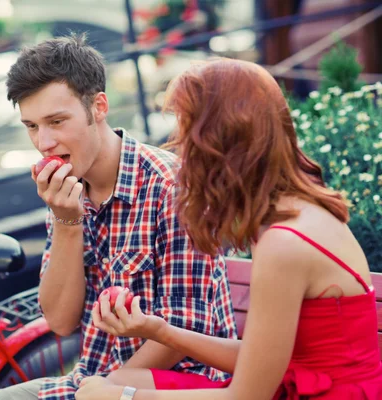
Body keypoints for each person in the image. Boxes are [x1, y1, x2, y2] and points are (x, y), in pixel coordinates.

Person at [75, 58, 382, 400]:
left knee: (113, 390)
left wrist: (124, 399)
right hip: (302, 385)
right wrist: (158, 330)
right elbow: (264, 358)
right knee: (120, 379)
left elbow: (246, 396)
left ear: (222, 146)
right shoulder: (297, 213)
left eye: (187, 137)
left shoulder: (284, 244)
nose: (181, 152)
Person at [0, 35, 237, 400]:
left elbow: (181, 331)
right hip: (92, 382)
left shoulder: (171, 188)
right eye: (32, 126)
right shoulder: (66, 189)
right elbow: (60, 320)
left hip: (173, 385)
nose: (44, 143)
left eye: (57, 121)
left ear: (99, 106)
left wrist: (103, 389)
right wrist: (66, 222)